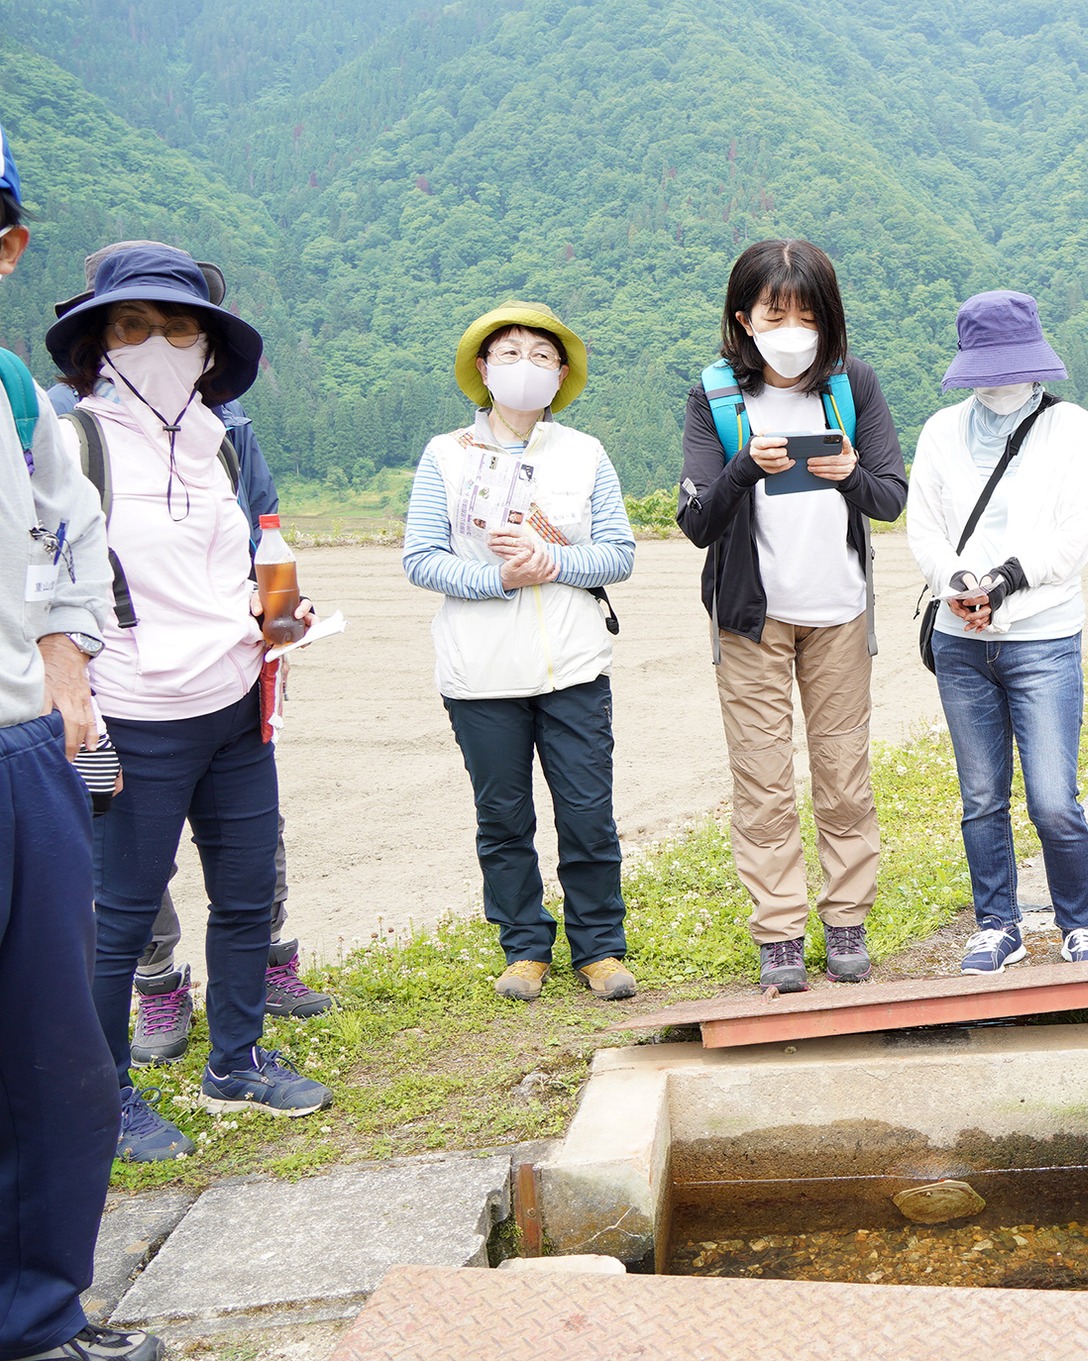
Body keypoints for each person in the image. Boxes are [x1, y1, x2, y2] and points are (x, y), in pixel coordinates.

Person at [44, 243, 332, 1164]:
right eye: (134, 327)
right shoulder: (71, 442)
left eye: (180, 328)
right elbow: (45, 580)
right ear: (100, 346)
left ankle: (236, 1059)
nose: (160, 344)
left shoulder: (220, 442)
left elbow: (238, 560)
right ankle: (107, 1093)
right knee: (116, 915)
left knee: (246, 892)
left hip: (234, 701)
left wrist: (271, 613)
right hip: (130, 712)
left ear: (209, 351)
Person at [0, 118, 165, 1361]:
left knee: (52, 1055)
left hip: (20, 752)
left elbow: (68, 547)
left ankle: (39, 1316)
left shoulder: (15, 396)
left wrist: (66, 680)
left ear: (7, 248)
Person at [678, 239, 907, 993]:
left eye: (808, 312)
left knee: (844, 776)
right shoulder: (715, 397)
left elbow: (891, 497)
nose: (793, 327)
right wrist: (749, 465)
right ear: (744, 318)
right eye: (777, 312)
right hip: (751, 618)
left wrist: (850, 476)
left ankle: (847, 919)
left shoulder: (853, 386)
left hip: (839, 611)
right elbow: (696, 520)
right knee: (764, 780)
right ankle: (779, 931)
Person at [402, 302, 638, 1004]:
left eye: (541, 354)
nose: (524, 365)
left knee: (588, 811)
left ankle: (599, 946)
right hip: (479, 673)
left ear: (561, 372)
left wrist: (551, 562)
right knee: (504, 817)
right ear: (482, 367)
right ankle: (524, 945)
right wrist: (497, 577)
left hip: (573, 666)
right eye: (508, 351)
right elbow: (421, 559)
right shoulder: (446, 454)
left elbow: (619, 553)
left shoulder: (583, 452)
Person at [907, 291, 1088, 974]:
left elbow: (1076, 535)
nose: (999, 379)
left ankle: (1079, 920)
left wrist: (1006, 582)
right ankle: (998, 923)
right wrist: (961, 581)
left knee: (1053, 796)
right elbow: (925, 529)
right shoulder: (941, 432)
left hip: (1044, 637)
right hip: (961, 642)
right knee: (981, 796)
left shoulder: (1071, 427)